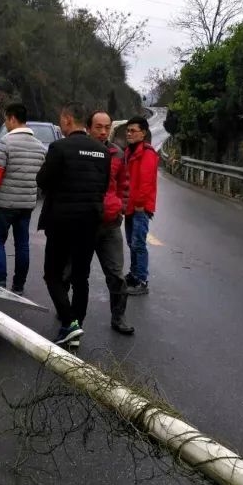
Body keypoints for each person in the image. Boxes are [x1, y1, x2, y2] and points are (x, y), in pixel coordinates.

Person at [36, 102, 110, 347]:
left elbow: (43, 181)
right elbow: (103, 186)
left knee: (52, 274)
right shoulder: (102, 151)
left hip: (62, 223)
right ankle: (75, 328)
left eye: (61, 120)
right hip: (90, 222)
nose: (60, 124)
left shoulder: (59, 147)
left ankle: (70, 323)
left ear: (68, 119)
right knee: (81, 277)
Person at [0, 103, 46, 294]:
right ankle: (18, 286)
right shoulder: (40, 148)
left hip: (4, 205)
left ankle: (0, 282)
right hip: (26, 205)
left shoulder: (4, 144)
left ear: (12, 118)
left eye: (6, 119)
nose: (6, 123)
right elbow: (42, 179)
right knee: (22, 245)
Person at [87, 110, 134, 335]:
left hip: (110, 224)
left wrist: (121, 209)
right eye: (98, 127)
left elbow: (125, 183)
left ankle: (119, 317)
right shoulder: (81, 150)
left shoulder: (117, 153)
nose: (103, 131)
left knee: (116, 275)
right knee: (71, 273)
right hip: (83, 224)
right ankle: (67, 313)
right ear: (89, 128)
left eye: (107, 127)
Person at [124, 116, 159, 296]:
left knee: (138, 243)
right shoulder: (130, 151)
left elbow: (145, 182)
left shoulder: (147, 153)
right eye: (128, 130)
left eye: (133, 131)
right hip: (130, 206)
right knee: (132, 242)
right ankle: (133, 274)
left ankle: (141, 280)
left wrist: (139, 205)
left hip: (140, 207)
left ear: (143, 133)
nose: (129, 134)